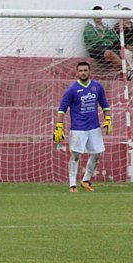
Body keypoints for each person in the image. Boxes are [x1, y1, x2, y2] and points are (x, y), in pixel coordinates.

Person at [54, 61, 111, 192]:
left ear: (89, 71)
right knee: (75, 155)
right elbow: (62, 109)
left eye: (85, 70)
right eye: (81, 71)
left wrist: (108, 118)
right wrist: (59, 126)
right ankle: (72, 184)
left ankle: (85, 180)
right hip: (78, 128)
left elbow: (105, 104)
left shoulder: (97, 87)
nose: (83, 73)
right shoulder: (72, 90)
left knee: (97, 154)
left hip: (94, 127)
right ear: (77, 72)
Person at [84, 6, 120, 72]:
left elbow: (115, 38)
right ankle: (126, 70)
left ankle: (122, 71)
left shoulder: (106, 26)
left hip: (108, 47)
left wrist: (104, 37)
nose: (98, 17)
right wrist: (107, 39)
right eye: (96, 14)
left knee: (122, 52)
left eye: (100, 14)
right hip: (95, 48)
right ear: (93, 15)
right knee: (109, 53)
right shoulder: (89, 27)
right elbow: (95, 41)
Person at [112, 7, 133, 80]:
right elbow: (116, 42)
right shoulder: (117, 27)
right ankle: (131, 71)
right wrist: (127, 46)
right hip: (126, 48)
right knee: (127, 53)